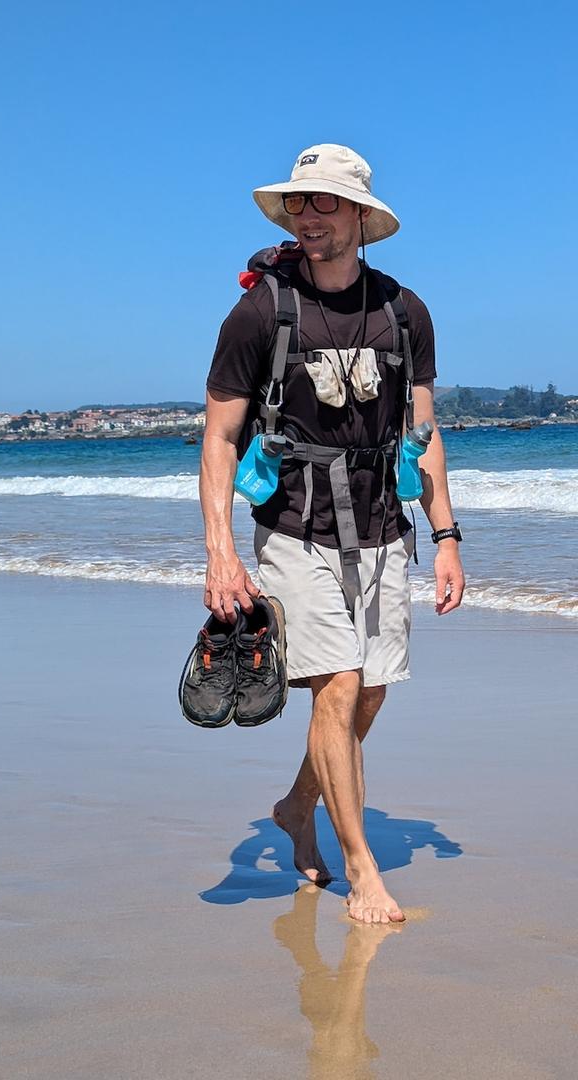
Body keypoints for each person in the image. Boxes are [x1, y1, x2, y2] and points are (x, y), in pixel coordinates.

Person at [199, 144, 465, 924]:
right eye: (298, 204)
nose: (307, 217)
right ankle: (360, 868)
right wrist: (219, 553)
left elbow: (424, 432)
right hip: (292, 528)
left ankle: (294, 807)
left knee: (368, 696)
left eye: (323, 203)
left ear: (359, 217)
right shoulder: (260, 311)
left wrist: (446, 535)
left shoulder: (403, 312)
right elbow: (217, 438)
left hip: (383, 528)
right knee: (337, 687)